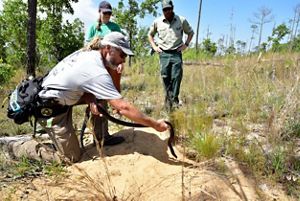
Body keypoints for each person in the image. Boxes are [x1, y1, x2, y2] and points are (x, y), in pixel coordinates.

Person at [9, 32, 169, 163]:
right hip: (50, 108)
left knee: (101, 98)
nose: (123, 60)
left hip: (63, 98)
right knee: (70, 157)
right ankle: (17, 147)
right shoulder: (96, 69)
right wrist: (154, 124)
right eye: (122, 54)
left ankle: (101, 139)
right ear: (108, 48)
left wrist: (91, 99)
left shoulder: (90, 54)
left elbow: (80, 83)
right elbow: (123, 107)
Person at [86, 1, 124, 146]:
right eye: (105, 13)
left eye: (109, 13)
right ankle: (98, 136)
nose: (107, 15)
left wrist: (120, 63)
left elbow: (120, 47)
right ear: (99, 12)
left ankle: (104, 135)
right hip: (95, 68)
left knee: (107, 98)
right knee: (95, 99)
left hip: (110, 68)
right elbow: (87, 47)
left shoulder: (115, 27)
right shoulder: (93, 28)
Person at [148, 0, 194, 110]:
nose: (167, 11)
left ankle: (174, 100)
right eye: (165, 9)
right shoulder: (157, 22)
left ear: (173, 8)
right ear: (162, 10)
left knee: (176, 77)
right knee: (165, 78)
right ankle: (168, 101)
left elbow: (190, 32)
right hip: (163, 54)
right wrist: (154, 47)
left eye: (169, 9)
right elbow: (150, 34)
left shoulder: (181, 20)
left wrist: (186, 44)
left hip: (176, 53)